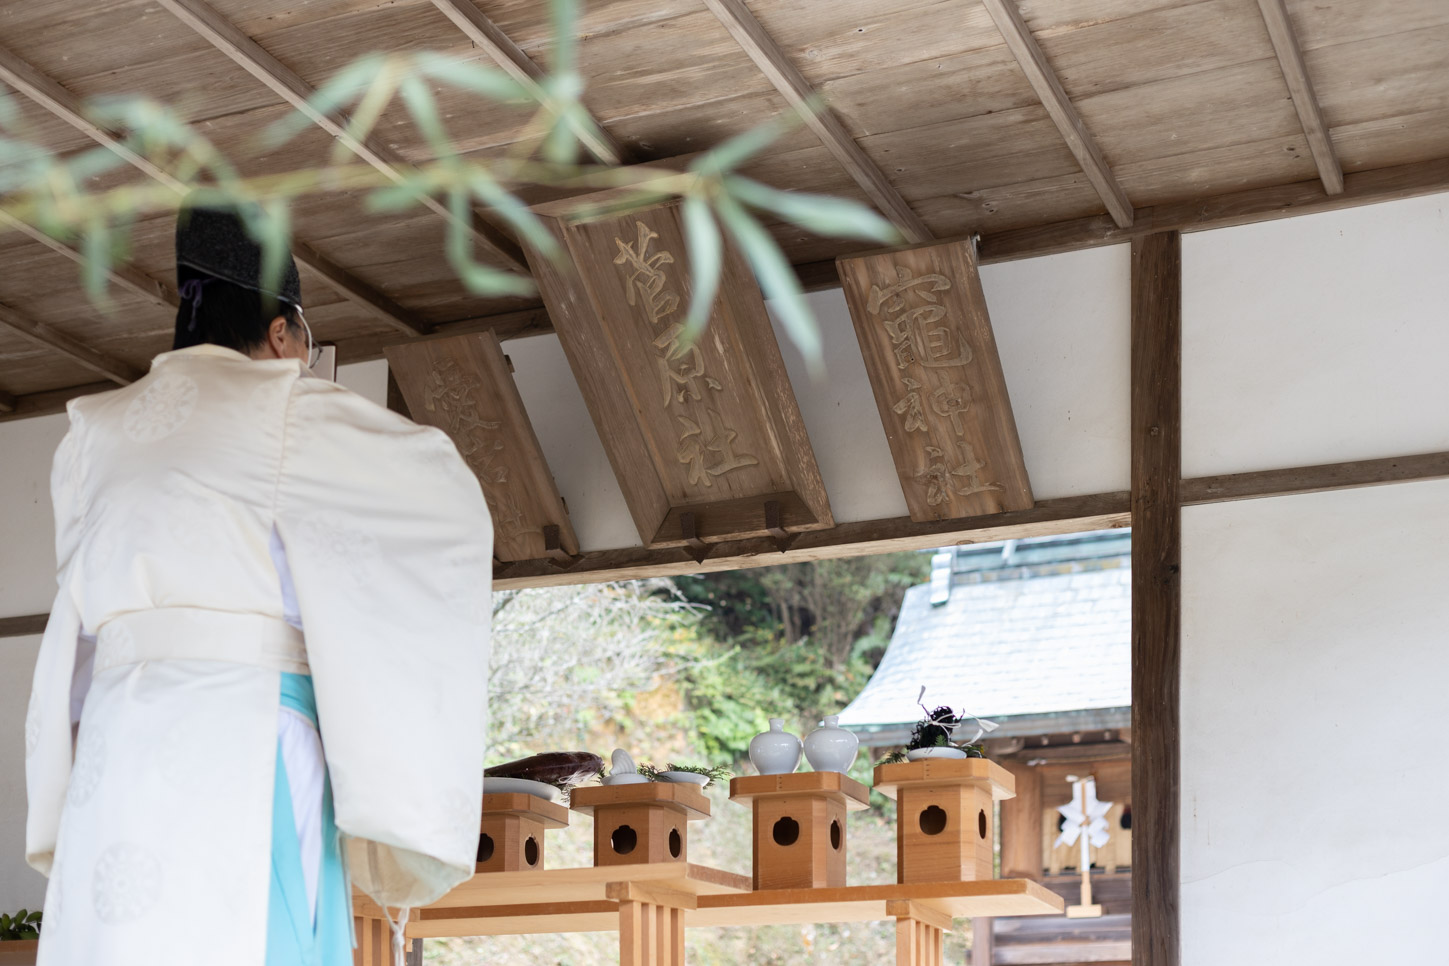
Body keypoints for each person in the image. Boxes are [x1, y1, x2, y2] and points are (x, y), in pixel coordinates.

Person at [24, 199, 494, 966]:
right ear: (281, 332)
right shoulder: (285, 407)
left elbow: (76, 623)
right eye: (303, 344)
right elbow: (442, 505)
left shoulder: (93, 431)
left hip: (116, 742)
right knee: (251, 926)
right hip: (245, 724)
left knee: (121, 932)